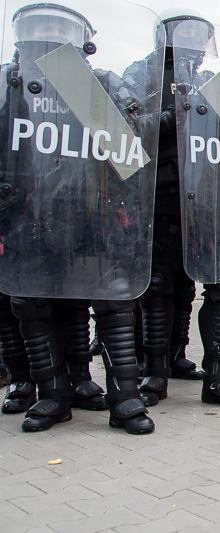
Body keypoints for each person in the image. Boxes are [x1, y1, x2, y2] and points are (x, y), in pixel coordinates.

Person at [0, 2, 160, 433]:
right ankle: (54, 397)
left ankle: (125, 400)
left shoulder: (99, 83)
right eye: (42, 25)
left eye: (60, 26)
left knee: (115, 304)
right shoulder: (6, 84)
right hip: (26, 220)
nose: (51, 33)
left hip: (96, 219)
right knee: (34, 306)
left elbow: (134, 154)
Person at [130, 8, 220, 408]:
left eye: (203, 37)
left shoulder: (212, 84)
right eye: (188, 33)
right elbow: (120, 126)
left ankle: (218, 377)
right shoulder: (142, 76)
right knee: (160, 290)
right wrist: (166, 120)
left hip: (209, 207)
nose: (197, 43)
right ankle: (154, 373)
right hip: (160, 203)